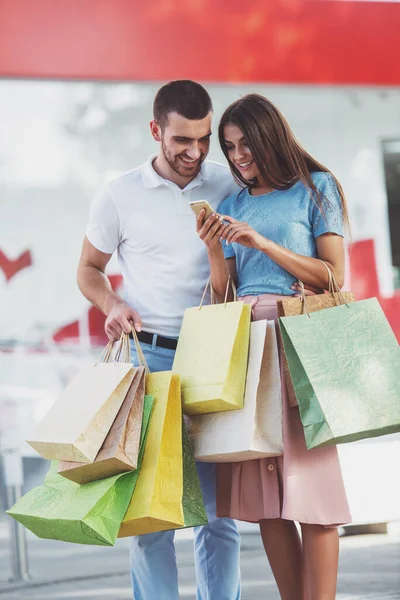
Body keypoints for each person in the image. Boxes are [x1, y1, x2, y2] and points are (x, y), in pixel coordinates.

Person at [77, 80, 241, 600]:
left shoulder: (227, 184)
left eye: (204, 140)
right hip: (147, 358)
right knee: (152, 515)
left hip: (212, 353)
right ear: (156, 131)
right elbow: (87, 268)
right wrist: (112, 303)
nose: (194, 153)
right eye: (181, 141)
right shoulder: (119, 194)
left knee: (217, 517)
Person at [197, 93, 351, 600]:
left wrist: (262, 244)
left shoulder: (316, 188)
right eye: (230, 147)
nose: (239, 156)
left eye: (247, 144)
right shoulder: (232, 205)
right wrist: (214, 249)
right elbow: (222, 296)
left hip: (299, 340)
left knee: (314, 493)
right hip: (248, 345)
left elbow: (333, 277)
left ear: (270, 137)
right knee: (266, 500)